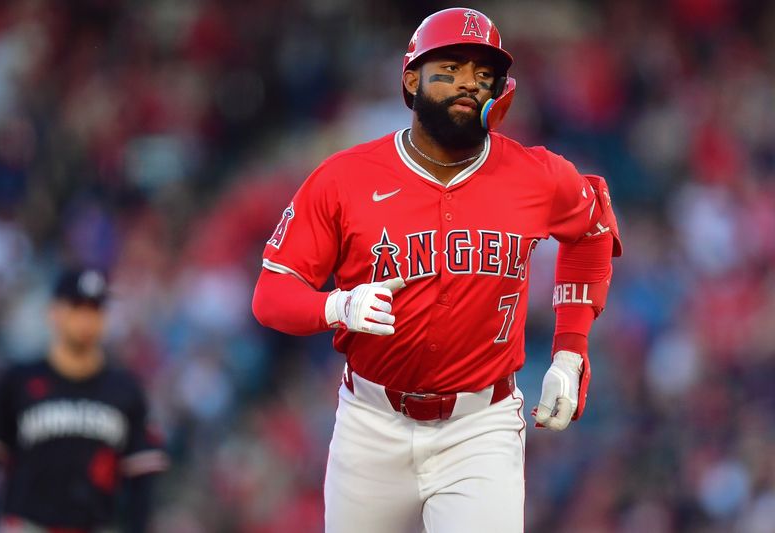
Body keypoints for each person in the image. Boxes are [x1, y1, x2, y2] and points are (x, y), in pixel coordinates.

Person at [252, 7, 622, 532]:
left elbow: (591, 232)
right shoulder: (345, 178)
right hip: (370, 423)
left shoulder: (536, 175)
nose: (468, 83)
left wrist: (570, 349)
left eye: (483, 73)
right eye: (449, 69)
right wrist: (336, 305)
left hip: (481, 426)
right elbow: (271, 294)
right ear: (411, 79)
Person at [0, 268, 168, 533]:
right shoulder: (16, 381)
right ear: (54, 312)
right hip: (27, 524)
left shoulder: (126, 389)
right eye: (77, 307)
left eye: (96, 309)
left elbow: (143, 477)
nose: (87, 319)